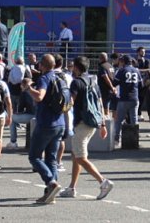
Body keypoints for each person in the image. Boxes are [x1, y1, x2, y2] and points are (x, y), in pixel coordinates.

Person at [60, 56, 114, 200]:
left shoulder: (76, 83)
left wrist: (60, 108)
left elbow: (71, 102)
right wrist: (103, 124)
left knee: (81, 157)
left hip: (81, 123)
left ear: (76, 68)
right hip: (92, 122)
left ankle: (103, 181)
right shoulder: (93, 81)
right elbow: (100, 102)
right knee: (75, 155)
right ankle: (72, 187)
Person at [23, 54, 66, 204]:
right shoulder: (60, 77)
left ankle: (51, 182)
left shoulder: (44, 78)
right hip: (60, 122)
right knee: (51, 159)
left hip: (46, 123)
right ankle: (50, 193)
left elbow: (39, 97)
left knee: (34, 157)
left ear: (41, 65)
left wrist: (28, 88)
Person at [112, 54, 142, 144]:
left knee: (119, 121)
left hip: (124, 98)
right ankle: (135, 140)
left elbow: (114, 83)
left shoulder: (122, 70)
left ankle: (117, 139)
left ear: (124, 62)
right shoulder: (136, 71)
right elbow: (141, 85)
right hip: (135, 98)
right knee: (134, 120)